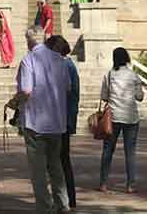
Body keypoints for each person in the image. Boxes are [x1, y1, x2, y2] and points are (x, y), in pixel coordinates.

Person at [8, 26, 70, 213]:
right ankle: (63, 203)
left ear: (28, 40)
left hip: (36, 123)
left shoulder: (29, 60)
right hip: (57, 121)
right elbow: (67, 87)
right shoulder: (60, 60)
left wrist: (13, 102)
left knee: (38, 171)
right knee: (56, 166)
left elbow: (26, 91)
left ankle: (44, 207)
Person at [99, 46, 145, 194]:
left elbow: (104, 96)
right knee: (130, 152)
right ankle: (130, 184)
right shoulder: (134, 76)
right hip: (131, 117)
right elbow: (140, 97)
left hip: (113, 116)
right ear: (127, 58)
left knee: (107, 150)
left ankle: (103, 183)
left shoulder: (110, 75)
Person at [47, 34, 79, 211]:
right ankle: (68, 199)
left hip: (60, 120)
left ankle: (63, 200)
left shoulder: (64, 65)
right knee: (63, 160)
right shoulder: (69, 65)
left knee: (58, 161)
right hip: (65, 119)